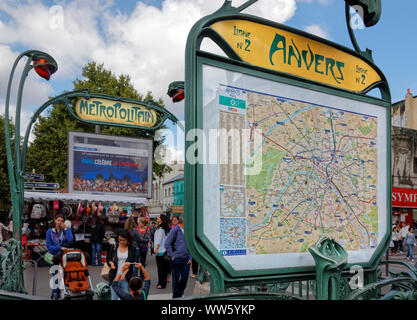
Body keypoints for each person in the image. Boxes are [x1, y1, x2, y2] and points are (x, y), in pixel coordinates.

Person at [46, 214, 74, 299]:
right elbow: (49, 246)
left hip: (64, 257)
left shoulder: (65, 230)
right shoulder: (50, 231)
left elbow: (71, 239)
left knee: (63, 276)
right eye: (58, 220)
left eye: (61, 221)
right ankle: (55, 295)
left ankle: (56, 295)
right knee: (57, 277)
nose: (60, 222)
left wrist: (66, 228)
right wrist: (59, 247)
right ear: (55, 220)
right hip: (54, 257)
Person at [165, 215, 192, 298]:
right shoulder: (175, 229)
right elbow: (167, 243)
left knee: (184, 279)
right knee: (175, 280)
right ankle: (176, 297)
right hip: (176, 258)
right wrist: (172, 255)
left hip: (186, 259)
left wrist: (191, 258)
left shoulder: (189, 230)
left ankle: (179, 294)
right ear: (183, 221)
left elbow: (192, 245)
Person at [107, 229, 136, 300]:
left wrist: (124, 273)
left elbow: (132, 263)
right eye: (120, 240)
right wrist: (111, 263)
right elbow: (108, 259)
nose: (121, 242)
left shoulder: (132, 248)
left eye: (123, 240)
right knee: (114, 298)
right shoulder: (114, 247)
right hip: (114, 276)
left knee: (126, 296)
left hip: (125, 277)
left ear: (128, 240)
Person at [154, 214, 171, 289]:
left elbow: (159, 240)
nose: (157, 217)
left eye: (159, 217)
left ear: (161, 219)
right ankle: (162, 283)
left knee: (160, 268)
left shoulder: (160, 229)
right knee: (163, 268)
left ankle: (161, 283)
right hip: (164, 251)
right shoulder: (165, 229)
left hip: (160, 251)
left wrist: (156, 248)